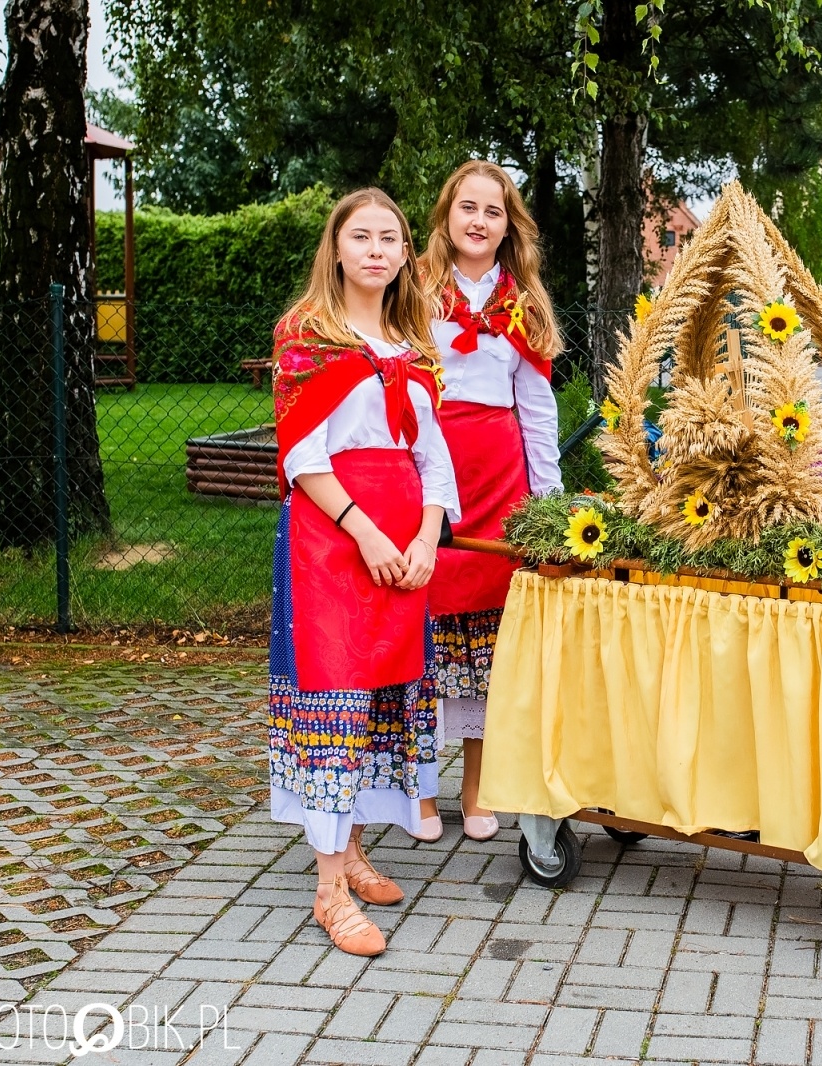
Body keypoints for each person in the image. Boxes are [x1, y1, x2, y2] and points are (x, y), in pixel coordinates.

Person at [269, 188, 459, 957]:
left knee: (381, 697)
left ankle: (349, 847)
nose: (377, 249)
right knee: (332, 699)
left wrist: (424, 536)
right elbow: (300, 453)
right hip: (331, 541)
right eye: (362, 237)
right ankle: (328, 890)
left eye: (391, 238)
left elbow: (433, 457)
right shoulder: (305, 336)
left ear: (406, 254)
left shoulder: (415, 347)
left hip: (402, 542)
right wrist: (366, 533)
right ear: (338, 250)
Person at [416, 160, 564, 844]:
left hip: (498, 477)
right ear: (447, 215)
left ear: (510, 226)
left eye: (494, 211)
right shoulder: (411, 292)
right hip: (427, 471)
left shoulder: (525, 306)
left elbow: (537, 409)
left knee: (483, 646)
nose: (479, 221)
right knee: (420, 640)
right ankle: (417, 789)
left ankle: (477, 789)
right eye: (467, 207)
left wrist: (549, 500)